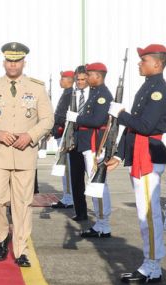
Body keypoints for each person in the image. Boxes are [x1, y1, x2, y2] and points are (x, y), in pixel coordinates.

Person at [0, 42, 53, 267]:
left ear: (23, 62)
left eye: (17, 60)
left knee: (23, 203)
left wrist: (31, 135)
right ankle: (2, 237)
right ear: (4, 62)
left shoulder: (36, 88)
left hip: (25, 153)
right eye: (9, 60)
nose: (13, 64)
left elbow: (47, 119)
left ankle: (20, 250)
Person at [106, 44, 166, 284]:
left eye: (144, 60)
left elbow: (143, 126)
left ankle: (153, 265)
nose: (139, 63)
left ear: (157, 63)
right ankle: (150, 262)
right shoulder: (148, 87)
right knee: (145, 213)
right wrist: (119, 155)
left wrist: (121, 114)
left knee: (149, 214)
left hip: (148, 155)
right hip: (139, 154)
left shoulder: (159, 91)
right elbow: (134, 130)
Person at [68, 62, 113, 238]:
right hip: (89, 145)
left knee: (97, 185)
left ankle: (104, 224)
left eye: (89, 74)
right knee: (94, 185)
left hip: (95, 145)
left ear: (98, 76)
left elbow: (97, 120)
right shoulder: (96, 93)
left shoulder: (102, 95)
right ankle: (101, 223)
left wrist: (77, 118)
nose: (86, 78)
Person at [67, 66, 90, 222]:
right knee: (76, 178)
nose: (80, 82)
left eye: (83, 80)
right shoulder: (71, 94)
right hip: (74, 140)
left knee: (93, 178)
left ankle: (101, 217)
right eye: (78, 80)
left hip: (89, 141)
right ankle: (80, 211)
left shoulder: (95, 94)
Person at [50, 70, 75, 209]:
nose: (60, 81)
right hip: (60, 133)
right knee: (64, 168)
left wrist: (54, 120)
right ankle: (67, 196)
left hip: (65, 134)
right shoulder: (66, 93)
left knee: (66, 169)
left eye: (62, 78)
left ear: (69, 80)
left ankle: (69, 198)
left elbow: (64, 116)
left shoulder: (70, 94)